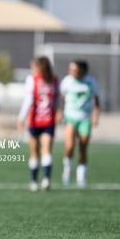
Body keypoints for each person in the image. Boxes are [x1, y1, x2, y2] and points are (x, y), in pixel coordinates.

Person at [17, 56, 60, 191]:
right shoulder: (55, 80)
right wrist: (59, 112)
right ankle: (46, 180)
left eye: (33, 66)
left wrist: (21, 118)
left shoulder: (32, 80)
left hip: (35, 121)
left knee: (34, 152)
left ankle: (34, 182)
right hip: (49, 120)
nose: (32, 69)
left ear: (39, 67)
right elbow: (57, 99)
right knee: (46, 150)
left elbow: (28, 100)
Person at [59, 60, 100, 188]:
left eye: (75, 70)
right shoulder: (67, 81)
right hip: (70, 117)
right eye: (70, 69)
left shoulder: (91, 82)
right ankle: (67, 169)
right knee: (70, 146)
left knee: (83, 147)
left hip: (85, 118)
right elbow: (62, 98)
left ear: (83, 71)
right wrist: (60, 112)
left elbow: (97, 101)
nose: (72, 72)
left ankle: (81, 176)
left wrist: (96, 116)